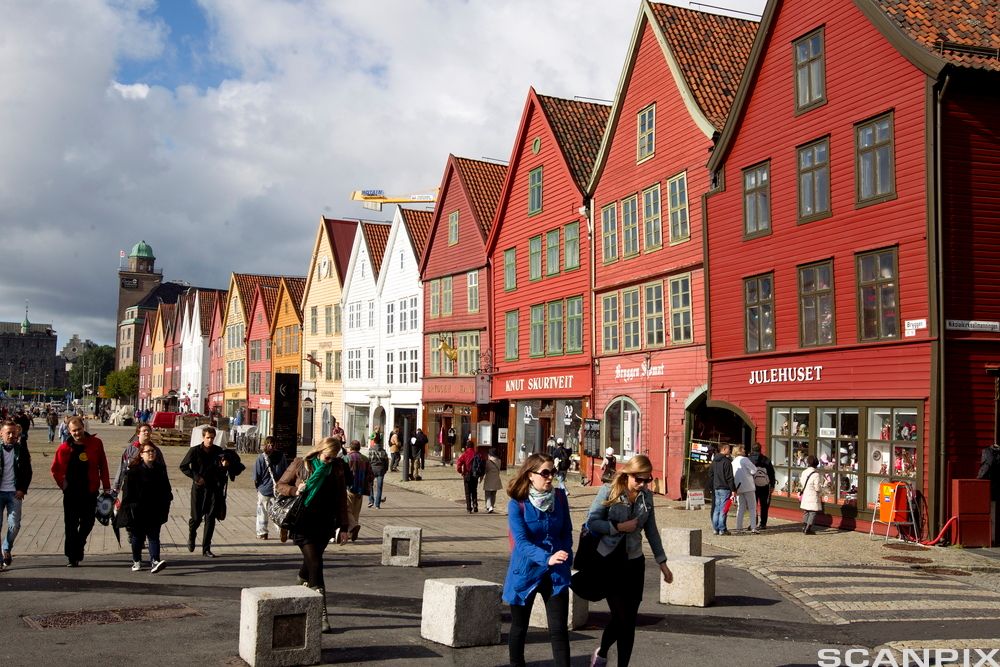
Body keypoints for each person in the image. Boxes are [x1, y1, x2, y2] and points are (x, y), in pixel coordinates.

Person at [586, 455, 672, 667]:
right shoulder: (609, 492)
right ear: (628, 474)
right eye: (639, 479)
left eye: (647, 480)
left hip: (635, 563)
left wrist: (662, 562)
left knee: (629, 621)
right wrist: (617, 527)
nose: (643, 484)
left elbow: (651, 530)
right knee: (622, 618)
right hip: (610, 562)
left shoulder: (646, 497)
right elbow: (592, 522)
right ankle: (604, 650)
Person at [276, 437, 353, 633]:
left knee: (311, 562)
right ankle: (321, 614)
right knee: (317, 565)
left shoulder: (337, 468)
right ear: (320, 450)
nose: (330, 460)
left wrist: (344, 527)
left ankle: (301, 580)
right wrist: (295, 490)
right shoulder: (302, 464)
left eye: (334, 457)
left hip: (324, 524)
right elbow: (280, 485)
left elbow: (341, 499)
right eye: (328, 456)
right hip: (302, 522)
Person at [503, 453, 573, 667]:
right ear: (530, 475)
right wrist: (547, 557)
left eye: (553, 472)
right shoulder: (518, 504)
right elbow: (521, 543)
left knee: (559, 631)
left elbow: (567, 531)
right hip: (526, 572)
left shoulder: (560, 497)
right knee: (519, 628)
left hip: (555, 574)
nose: (550, 477)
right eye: (545, 473)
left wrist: (566, 555)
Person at [50, 416, 111, 567]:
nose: (77, 433)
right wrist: (63, 485)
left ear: (84, 427)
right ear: (69, 431)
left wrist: (106, 485)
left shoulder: (96, 443)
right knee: (70, 525)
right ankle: (72, 556)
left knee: (88, 522)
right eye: (73, 431)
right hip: (71, 493)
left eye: (79, 429)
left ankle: (79, 543)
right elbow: (55, 469)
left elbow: (103, 464)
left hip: (90, 490)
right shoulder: (64, 448)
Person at [116, 440, 171, 573]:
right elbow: (127, 492)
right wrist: (129, 508)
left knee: (153, 536)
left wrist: (166, 501)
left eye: (153, 451)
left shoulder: (160, 469)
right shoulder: (134, 471)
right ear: (141, 454)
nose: (151, 453)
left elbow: (166, 488)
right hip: (138, 510)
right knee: (137, 537)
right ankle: (136, 560)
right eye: (148, 451)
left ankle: (155, 561)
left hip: (154, 509)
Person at [179, 426, 230, 557]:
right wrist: (196, 477)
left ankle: (206, 548)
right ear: (203, 437)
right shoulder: (195, 451)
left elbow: (223, 470)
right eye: (208, 438)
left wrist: (225, 466)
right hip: (199, 488)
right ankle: (192, 534)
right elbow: (183, 466)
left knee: (210, 518)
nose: (210, 440)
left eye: (212, 438)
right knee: (196, 518)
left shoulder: (218, 451)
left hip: (214, 489)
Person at [1, 420, 32, 570]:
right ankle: (1, 558)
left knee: (14, 525)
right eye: (8, 433)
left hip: (15, 493)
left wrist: (22, 489)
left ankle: (6, 547)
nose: (12, 435)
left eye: (14, 433)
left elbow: (28, 472)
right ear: (1, 434)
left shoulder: (21, 450)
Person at [252, 436, 289, 540]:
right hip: (278, 489)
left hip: (264, 489)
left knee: (262, 511)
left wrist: (258, 488)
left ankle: (262, 532)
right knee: (277, 511)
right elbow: (286, 472)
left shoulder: (261, 458)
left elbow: (256, 476)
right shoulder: (282, 456)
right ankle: (280, 528)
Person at [113, 424, 165, 496]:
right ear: (138, 434)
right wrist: (116, 488)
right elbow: (122, 468)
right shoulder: (130, 449)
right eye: (144, 431)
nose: (147, 432)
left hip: (150, 488)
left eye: (149, 431)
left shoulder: (155, 450)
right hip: (131, 487)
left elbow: (163, 470)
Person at [343, 440, 371, 540]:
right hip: (361, 489)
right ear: (359, 448)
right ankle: (353, 532)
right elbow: (370, 475)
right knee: (356, 511)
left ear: (350, 448)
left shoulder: (346, 458)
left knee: (347, 509)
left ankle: (353, 527)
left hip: (349, 488)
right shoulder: (365, 459)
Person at [709, 443, 736, 536]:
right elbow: (730, 477)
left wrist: (712, 486)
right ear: (724, 449)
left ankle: (715, 529)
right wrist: (733, 489)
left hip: (717, 487)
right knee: (724, 509)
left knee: (717, 509)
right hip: (725, 488)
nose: (730, 450)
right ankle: (722, 529)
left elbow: (711, 474)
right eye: (729, 449)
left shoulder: (714, 461)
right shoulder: (727, 462)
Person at [731, 445, 759, 534]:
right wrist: (749, 473)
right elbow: (754, 469)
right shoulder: (745, 459)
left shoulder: (733, 461)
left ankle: (739, 527)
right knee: (752, 507)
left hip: (738, 486)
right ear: (739, 451)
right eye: (743, 449)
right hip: (748, 486)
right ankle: (753, 527)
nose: (744, 450)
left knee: (741, 507)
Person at [748, 442, 776, 530]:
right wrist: (772, 485)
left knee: (753, 505)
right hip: (764, 486)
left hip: (752, 485)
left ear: (752, 450)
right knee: (764, 505)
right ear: (760, 449)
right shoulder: (766, 460)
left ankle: (753, 523)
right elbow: (771, 473)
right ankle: (763, 524)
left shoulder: (748, 460)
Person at [978, 442, 1000, 544]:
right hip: (994, 487)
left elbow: (986, 467)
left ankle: (991, 538)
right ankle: (992, 538)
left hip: (991, 487)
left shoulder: (988, 453)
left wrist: (978, 479)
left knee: (990, 511)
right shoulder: (992, 453)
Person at [456, 442, 482, 513]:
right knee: (474, 490)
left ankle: (469, 508)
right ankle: (475, 505)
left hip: (467, 474)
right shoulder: (477, 454)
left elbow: (459, 463)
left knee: (467, 492)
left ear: (466, 446)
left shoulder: (465, 454)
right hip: (475, 475)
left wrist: (460, 471)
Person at [799, 455, 822, 534]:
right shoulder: (816, 474)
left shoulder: (804, 472)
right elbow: (817, 487)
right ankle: (808, 529)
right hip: (813, 495)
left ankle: (804, 526)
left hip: (806, 493)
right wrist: (821, 490)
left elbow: (802, 482)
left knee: (806, 511)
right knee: (812, 512)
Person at [368, 437, 389, 509]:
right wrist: (385, 469)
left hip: (372, 469)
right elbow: (386, 461)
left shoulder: (371, 450)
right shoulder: (383, 451)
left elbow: (369, 460)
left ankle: (371, 501)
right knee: (379, 487)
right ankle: (377, 504)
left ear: (374, 442)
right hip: (381, 469)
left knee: (370, 485)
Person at [483, 447, 503, 513]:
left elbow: (485, 470)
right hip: (496, 480)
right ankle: (492, 505)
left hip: (489, 479)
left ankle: (489, 507)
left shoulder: (488, 462)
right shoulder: (499, 461)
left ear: (490, 455)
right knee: (493, 494)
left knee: (488, 494)